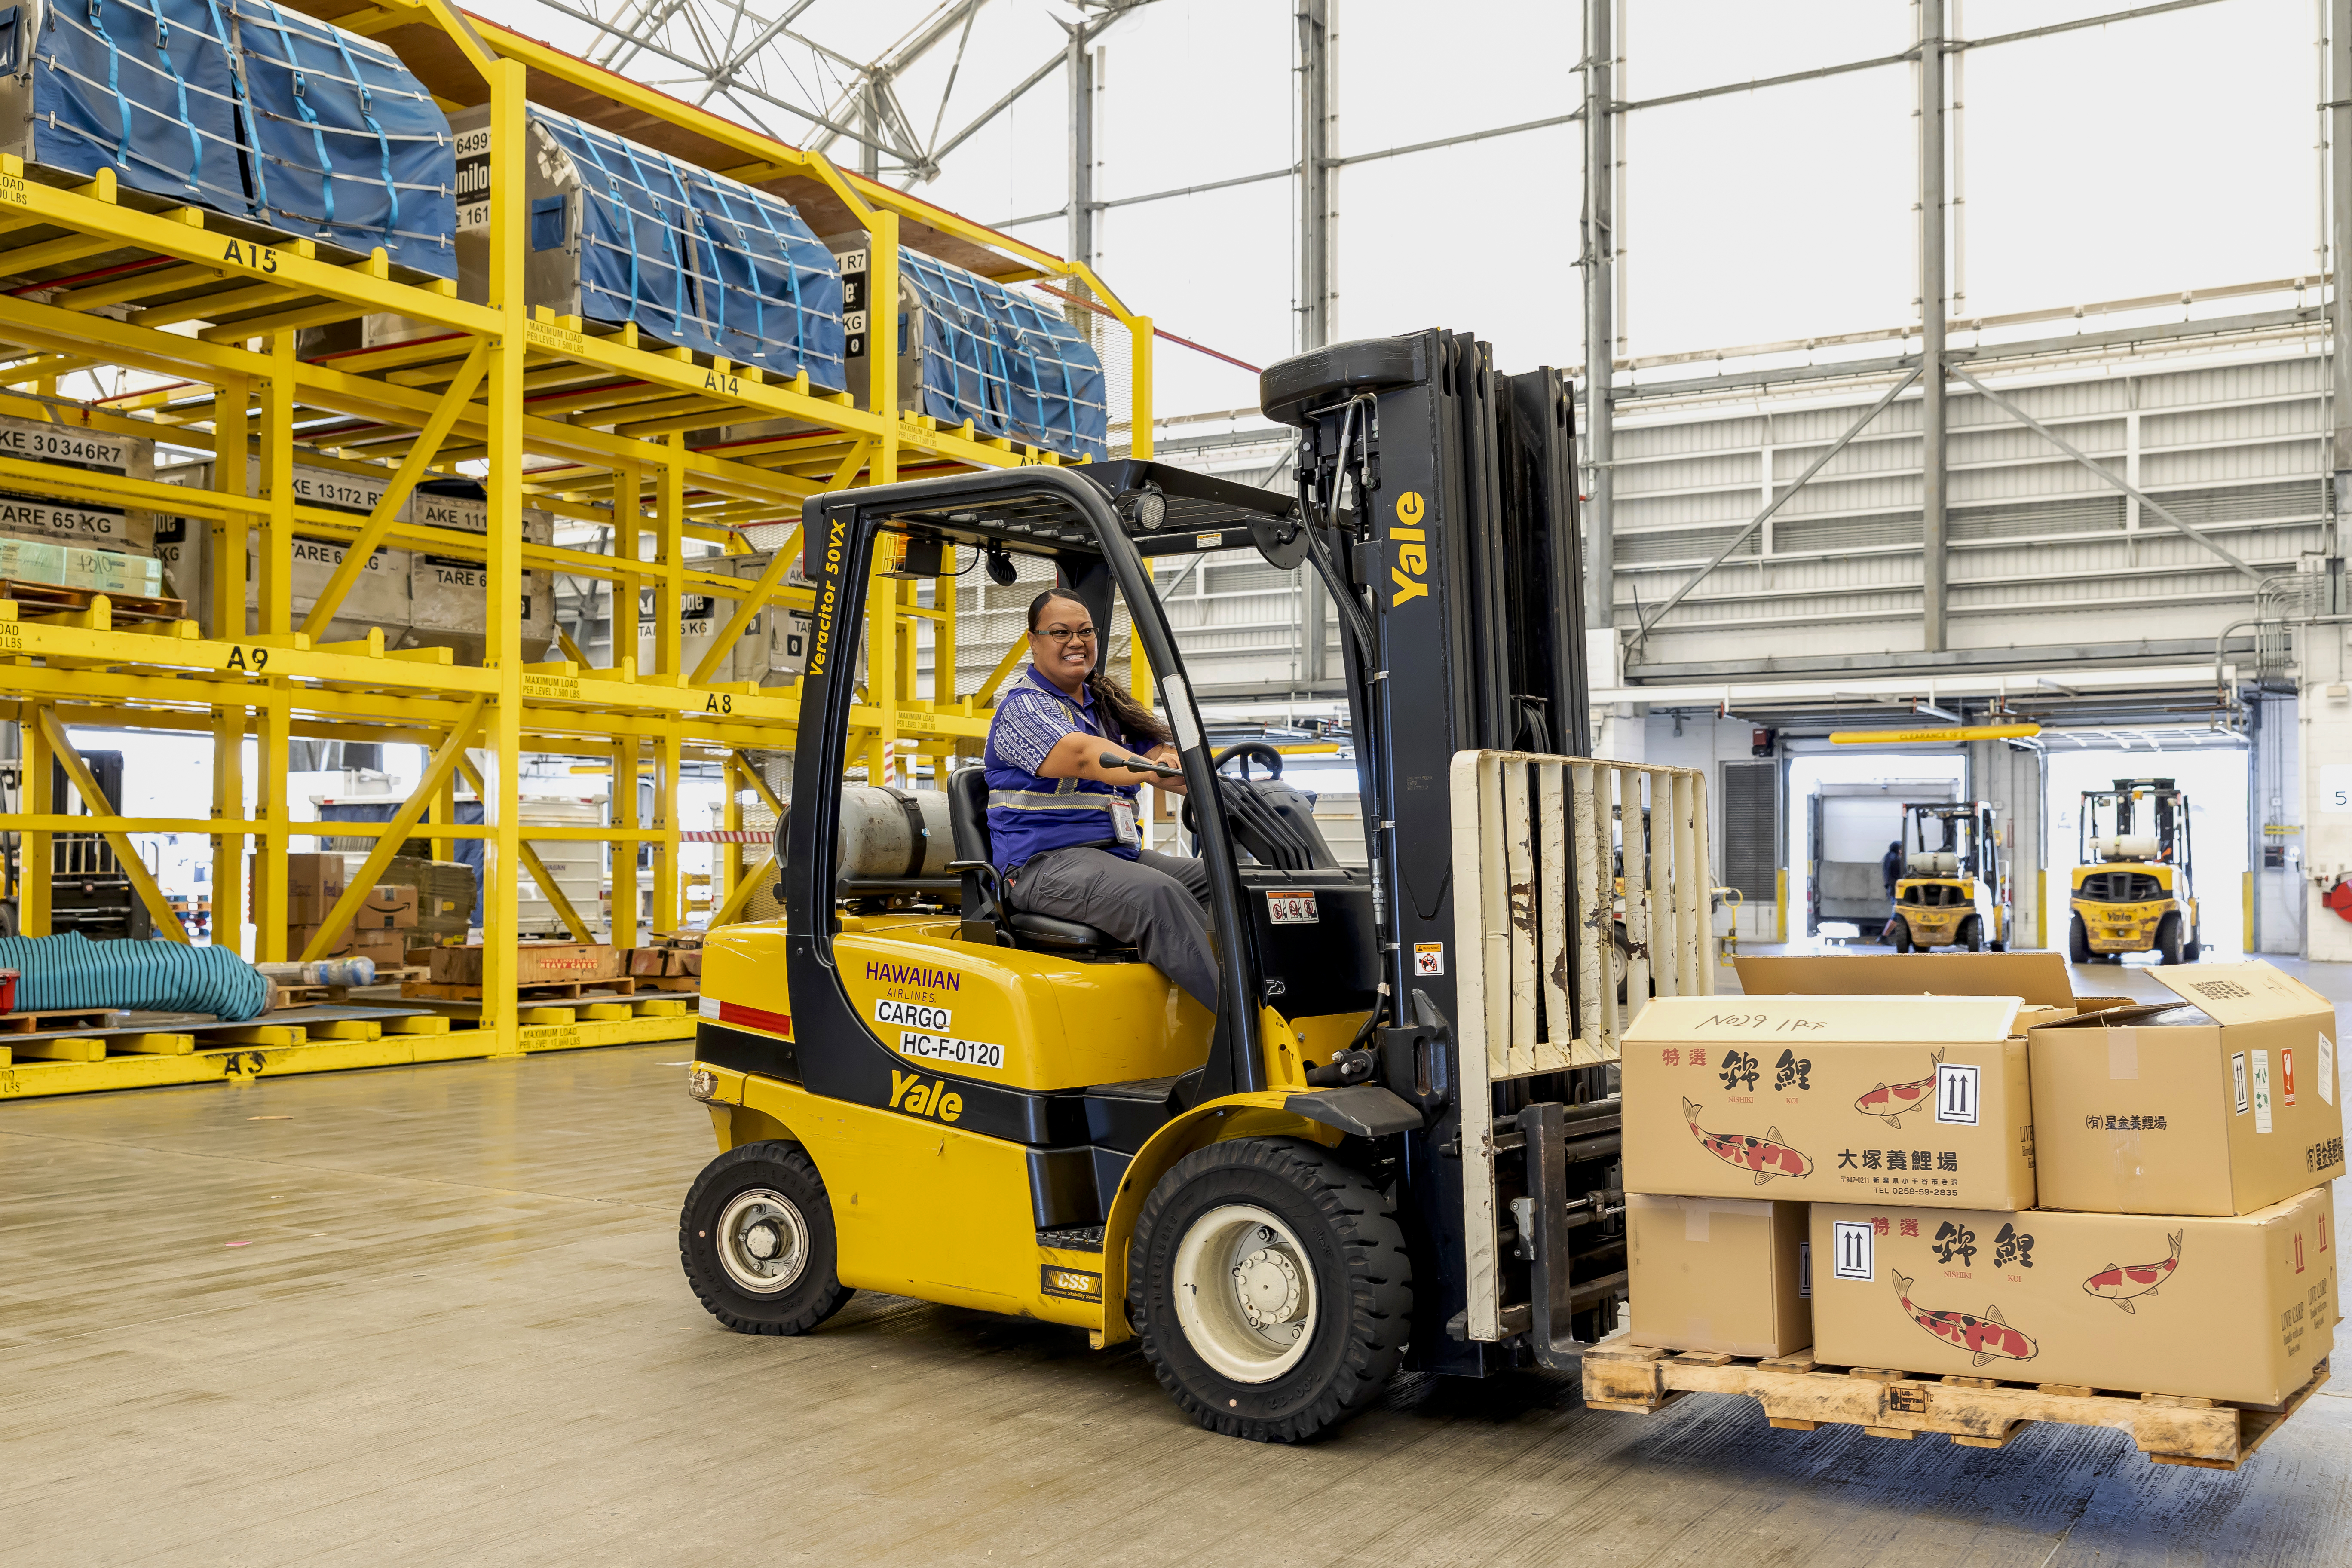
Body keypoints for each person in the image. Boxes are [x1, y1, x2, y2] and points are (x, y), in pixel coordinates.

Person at [983, 587, 1217, 1011]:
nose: (1076, 642)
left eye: (1085, 632)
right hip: (1043, 868)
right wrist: (1156, 769)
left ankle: (1285, 999)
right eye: (1060, 632)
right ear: (1033, 640)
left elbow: (1164, 760)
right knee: (1158, 895)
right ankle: (1245, 1026)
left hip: (1117, 856)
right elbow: (1084, 756)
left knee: (1228, 880)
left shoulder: (1107, 710)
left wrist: (1197, 774)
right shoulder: (1023, 709)